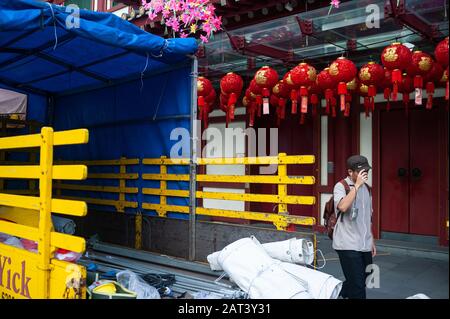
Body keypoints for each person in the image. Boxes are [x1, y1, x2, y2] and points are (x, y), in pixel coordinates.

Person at [333, 155, 376, 299]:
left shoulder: (368, 189)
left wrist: (372, 241)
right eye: (361, 171)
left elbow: (367, 217)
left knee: (366, 276)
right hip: (347, 243)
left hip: (364, 243)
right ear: (350, 172)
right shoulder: (341, 186)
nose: (365, 174)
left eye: (367, 171)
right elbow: (343, 207)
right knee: (358, 285)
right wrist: (356, 186)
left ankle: (335, 291)